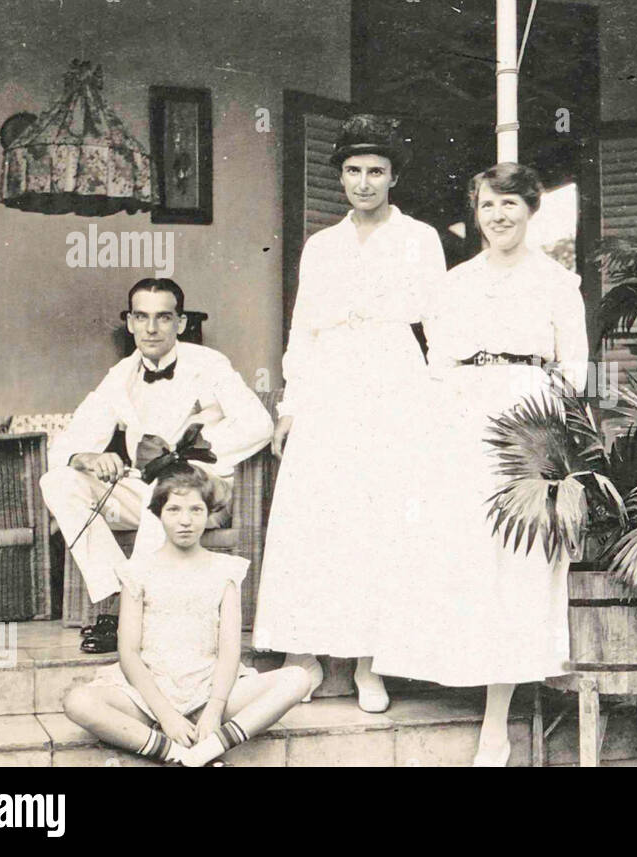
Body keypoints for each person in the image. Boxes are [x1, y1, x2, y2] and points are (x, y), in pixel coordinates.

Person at [372, 163, 590, 765]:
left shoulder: (557, 281)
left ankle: (498, 717)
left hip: (529, 416)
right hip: (460, 417)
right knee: (458, 547)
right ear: (476, 212)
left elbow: (574, 367)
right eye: (489, 205)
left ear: (531, 210)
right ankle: (449, 668)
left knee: (515, 556)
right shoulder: (455, 281)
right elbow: (438, 361)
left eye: (511, 205)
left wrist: (552, 433)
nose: (498, 216)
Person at [251, 114, 447, 712]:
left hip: (393, 380)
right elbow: (304, 328)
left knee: (381, 519)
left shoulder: (420, 238)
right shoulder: (321, 245)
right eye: (354, 171)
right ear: (340, 177)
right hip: (331, 384)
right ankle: (305, 656)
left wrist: (440, 399)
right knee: (317, 514)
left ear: (393, 178)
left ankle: (370, 663)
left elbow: (439, 325)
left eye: (377, 172)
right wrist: (290, 406)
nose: (364, 182)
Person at [40, 278, 273, 610]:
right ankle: (115, 599)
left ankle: (139, 610)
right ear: (130, 322)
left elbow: (259, 425)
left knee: (164, 486)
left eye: (163, 317)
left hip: (207, 491)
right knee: (58, 481)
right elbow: (67, 445)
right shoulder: (121, 374)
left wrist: (187, 455)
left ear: (180, 323)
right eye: (141, 317)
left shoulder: (209, 364)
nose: (151, 328)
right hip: (146, 489)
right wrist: (86, 457)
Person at [62, 465, 313, 766]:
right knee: (78, 701)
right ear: (158, 514)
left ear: (208, 514)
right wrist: (166, 715)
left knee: (298, 678)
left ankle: (208, 748)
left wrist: (215, 709)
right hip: (150, 694)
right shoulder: (137, 571)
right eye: (174, 509)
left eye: (196, 510)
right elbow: (128, 653)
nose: (185, 520)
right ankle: (175, 753)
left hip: (210, 689)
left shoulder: (225, 570)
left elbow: (229, 651)